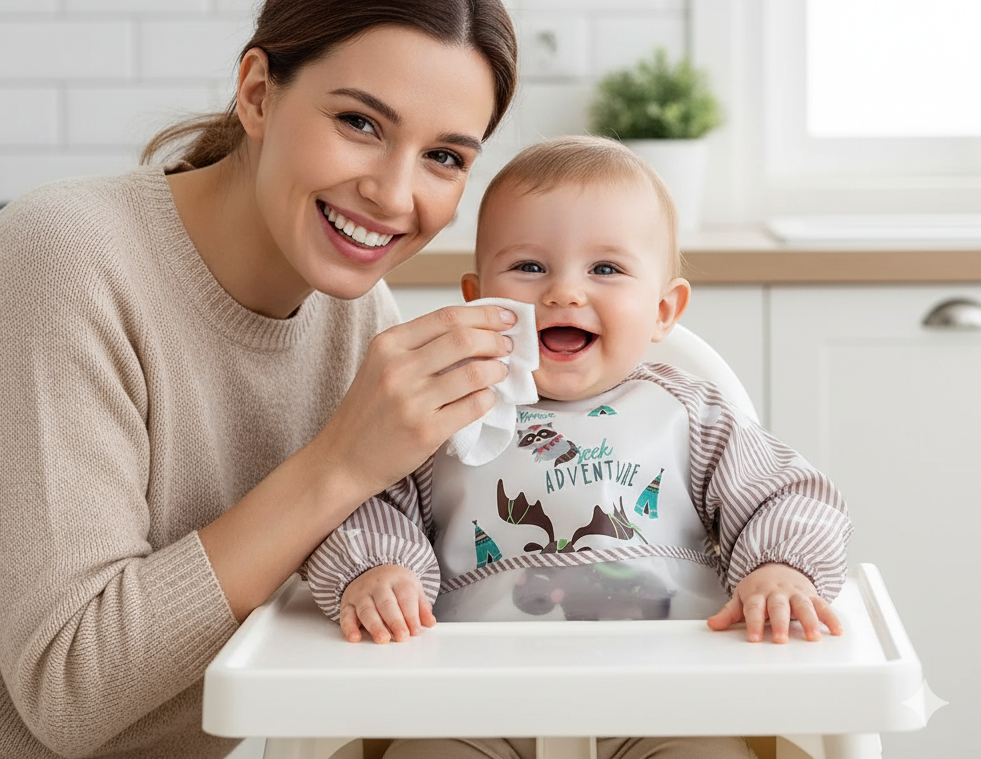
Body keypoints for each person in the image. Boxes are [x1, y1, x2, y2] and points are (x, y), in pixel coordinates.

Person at [0, 0, 522, 759]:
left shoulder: (360, 316)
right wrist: (342, 462)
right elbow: (68, 689)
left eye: (443, 156)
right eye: (360, 122)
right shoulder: (64, 256)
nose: (395, 194)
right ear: (257, 93)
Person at [306, 135, 853, 759]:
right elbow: (362, 499)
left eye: (607, 269)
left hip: (671, 693)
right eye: (530, 267)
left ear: (663, 309)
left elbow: (789, 493)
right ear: (477, 299)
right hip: (470, 696)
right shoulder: (444, 413)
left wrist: (777, 569)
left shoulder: (693, 415)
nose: (564, 292)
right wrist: (378, 569)